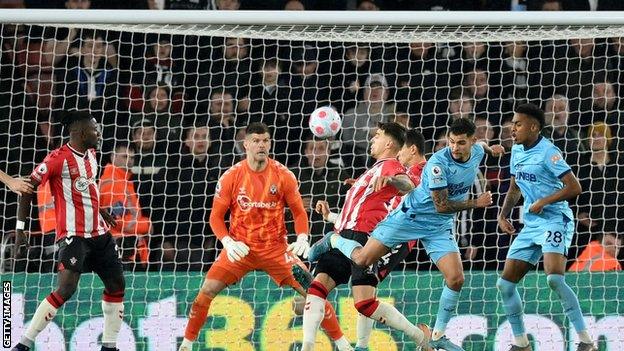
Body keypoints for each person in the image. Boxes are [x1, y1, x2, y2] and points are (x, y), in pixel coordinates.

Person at [312, 118, 504, 351]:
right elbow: (429, 199)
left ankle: (437, 336)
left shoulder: (462, 155)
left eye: (461, 143)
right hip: (407, 222)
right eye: (451, 142)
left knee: (455, 279)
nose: (454, 147)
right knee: (362, 265)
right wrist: (476, 202)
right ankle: (333, 240)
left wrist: (491, 149)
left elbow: (480, 148)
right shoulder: (436, 164)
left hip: (436, 227)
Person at [178, 122, 351, 351]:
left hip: (275, 250)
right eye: (257, 141)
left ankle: (344, 345)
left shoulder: (283, 175)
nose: (262, 145)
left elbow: (299, 212)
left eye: (266, 141)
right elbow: (216, 217)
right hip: (240, 249)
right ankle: (186, 345)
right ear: (246, 144)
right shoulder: (232, 176)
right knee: (206, 291)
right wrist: (227, 242)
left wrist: (301, 237)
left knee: (314, 291)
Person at [301, 123, 431, 351]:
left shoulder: (390, 165)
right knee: (317, 286)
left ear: (389, 143)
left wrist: (392, 180)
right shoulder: (371, 171)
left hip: (364, 239)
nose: (372, 140)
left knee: (363, 303)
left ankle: (418, 337)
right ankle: (307, 346)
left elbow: (408, 184)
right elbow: (359, 210)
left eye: (377, 136)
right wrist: (331, 215)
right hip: (347, 232)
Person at [12, 111, 124, 351]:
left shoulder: (92, 155)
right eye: (95, 129)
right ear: (81, 133)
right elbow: (27, 188)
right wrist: (21, 229)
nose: (99, 133)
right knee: (66, 289)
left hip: (99, 234)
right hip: (74, 236)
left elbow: (87, 187)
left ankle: (109, 346)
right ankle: (24, 344)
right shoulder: (56, 159)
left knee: (117, 285)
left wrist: (101, 210)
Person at [496, 103, 596, 351]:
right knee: (505, 284)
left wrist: (544, 201)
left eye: (517, 124)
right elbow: (515, 187)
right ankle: (521, 344)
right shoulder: (517, 151)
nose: (512, 129)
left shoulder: (549, 152)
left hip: (555, 219)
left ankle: (586, 341)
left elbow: (575, 187)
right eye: (512, 123)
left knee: (553, 278)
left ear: (533, 127)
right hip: (531, 224)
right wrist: (503, 215)